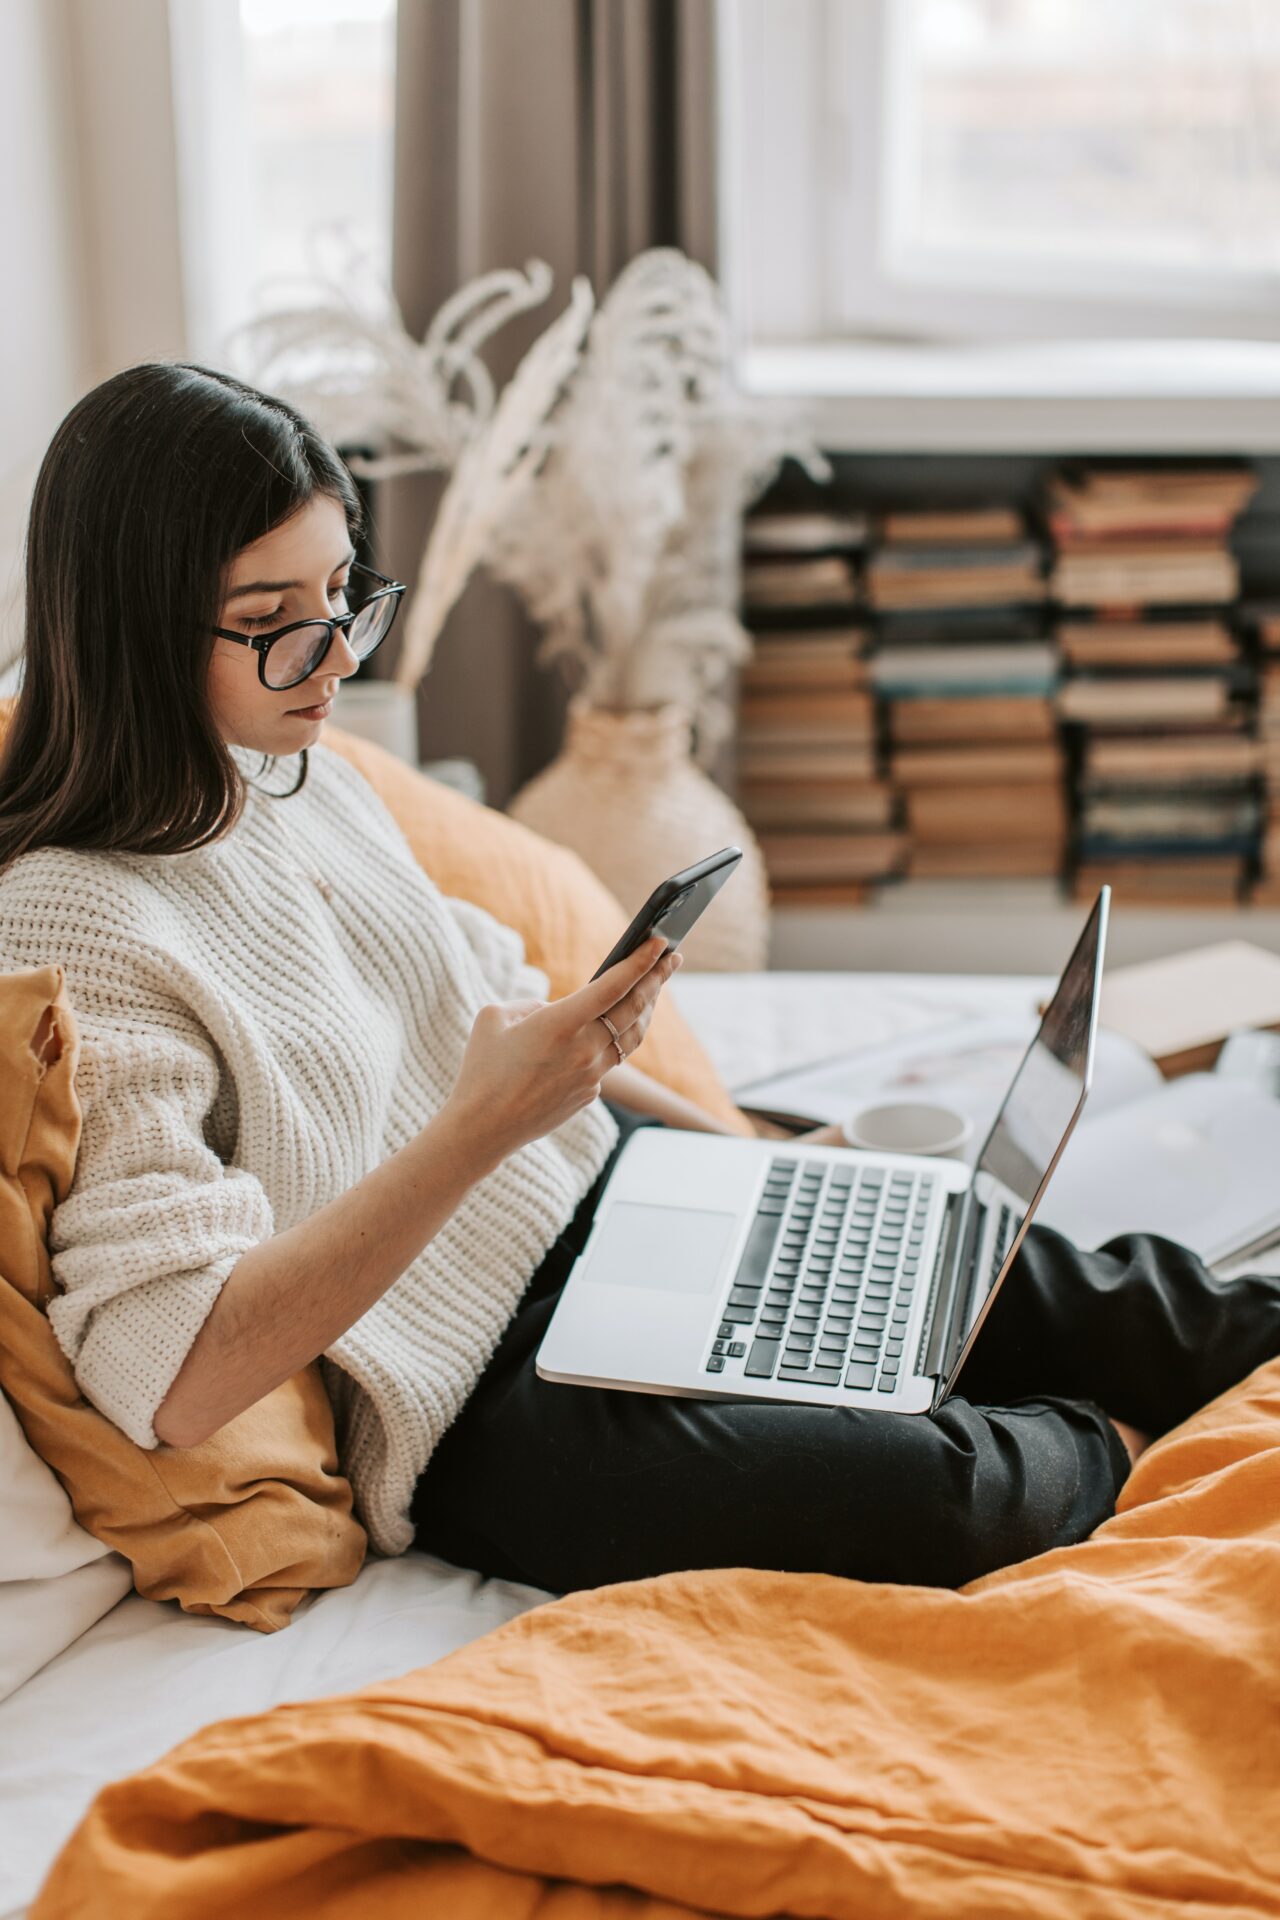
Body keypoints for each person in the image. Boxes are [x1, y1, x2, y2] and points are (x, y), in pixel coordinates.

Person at [1, 363, 1276, 1597]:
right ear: (133, 627)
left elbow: (487, 1017)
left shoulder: (300, 773)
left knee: (1077, 1283)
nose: (337, 659)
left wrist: (744, 1154)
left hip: (612, 1188)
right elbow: (165, 1376)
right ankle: (1122, 1450)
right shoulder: (75, 925)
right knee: (940, 1495)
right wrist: (482, 1128)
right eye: (275, 625)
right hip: (480, 1391)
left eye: (344, 596)